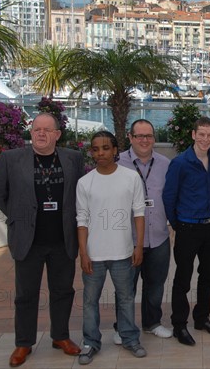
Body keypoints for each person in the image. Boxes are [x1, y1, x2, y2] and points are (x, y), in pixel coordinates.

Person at [0, 112, 84, 367]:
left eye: (46, 130)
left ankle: (60, 337)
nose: (40, 133)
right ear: (31, 133)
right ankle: (23, 343)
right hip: (28, 240)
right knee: (26, 295)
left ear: (57, 134)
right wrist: (18, 214)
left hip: (63, 239)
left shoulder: (73, 158)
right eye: (36, 129)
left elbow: (81, 191)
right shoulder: (11, 158)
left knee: (63, 291)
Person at [76, 131, 147, 365]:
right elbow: (82, 219)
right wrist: (83, 252)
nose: (100, 153)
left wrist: (138, 246)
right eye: (95, 149)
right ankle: (90, 343)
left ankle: (129, 338)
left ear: (116, 150)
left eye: (105, 148)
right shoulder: (85, 183)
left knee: (126, 298)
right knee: (89, 301)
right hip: (94, 255)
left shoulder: (130, 178)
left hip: (123, 252)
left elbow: (139, 213)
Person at [163, 117, 210, 346]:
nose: (206, 139)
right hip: (187, 227)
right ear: (193, 134)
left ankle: (201, 318)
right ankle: (179, 325)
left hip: (209, 227)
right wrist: (177, 224)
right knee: (183, 279)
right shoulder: (180, 163)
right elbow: (168, 197)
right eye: (202, 134)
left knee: (207, 277)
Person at [113, 119, 172, 343]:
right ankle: (122, 328)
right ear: (130, 137)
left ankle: (152, 323)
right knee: (126, 287)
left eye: (149, 136)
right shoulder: (118, 163)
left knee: (155, 285)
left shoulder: (165, 164)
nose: (145, 140)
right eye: (139, 136)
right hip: (127, 239)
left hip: (158, 237)